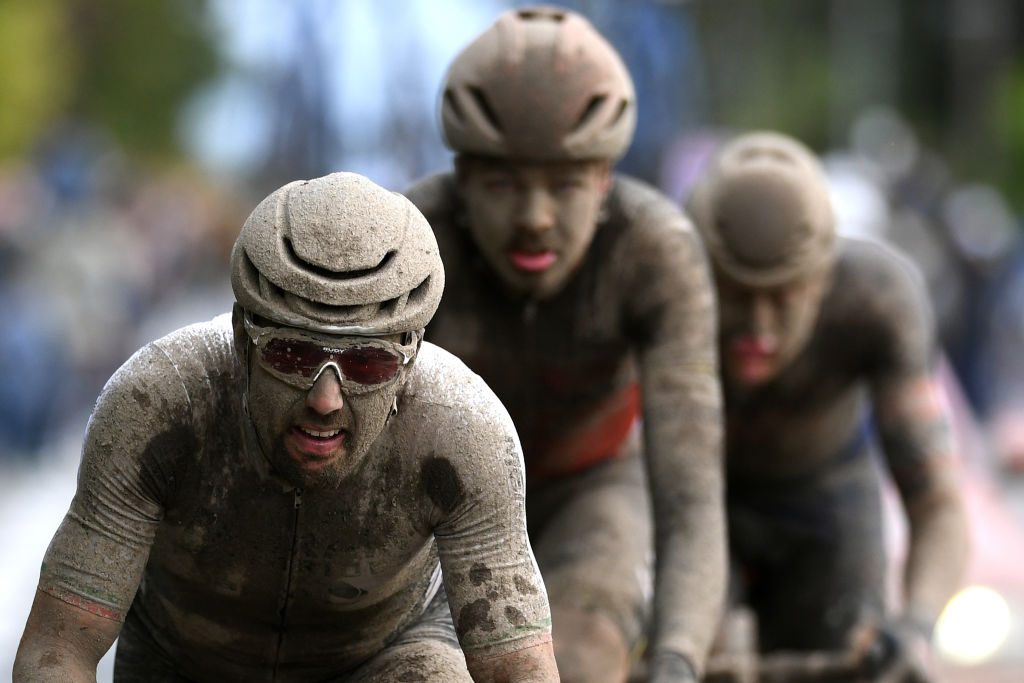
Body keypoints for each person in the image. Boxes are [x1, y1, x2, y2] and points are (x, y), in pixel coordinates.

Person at [13, 172, 559, 682]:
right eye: (294, 355)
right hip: (182, 659)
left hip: (383, 656)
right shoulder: (158, 403)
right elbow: (59, 647)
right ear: (242, 338)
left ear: (410, 359)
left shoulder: (465, 432)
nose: (325, 400)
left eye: (368, 364)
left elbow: (520, 669)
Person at [405, 7, 726, 682]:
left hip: (594, 484)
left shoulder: (653, 252)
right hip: (438, 495)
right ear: (461, 181)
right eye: (501, 183)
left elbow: (689, 495)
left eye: (567, 184)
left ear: (607, 178)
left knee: (579, 651)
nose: (534, 218)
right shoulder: (410, 242)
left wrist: (677, 656)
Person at [685, 131, 970, 682]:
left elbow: (936, 500)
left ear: (824, 280)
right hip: (694, 499)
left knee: (858, 653)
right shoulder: (660, 289)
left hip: (826, 501)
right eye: (736, 294)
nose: (758, 326)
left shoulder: (876, 301)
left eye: (784, 296)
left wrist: (915, 627)